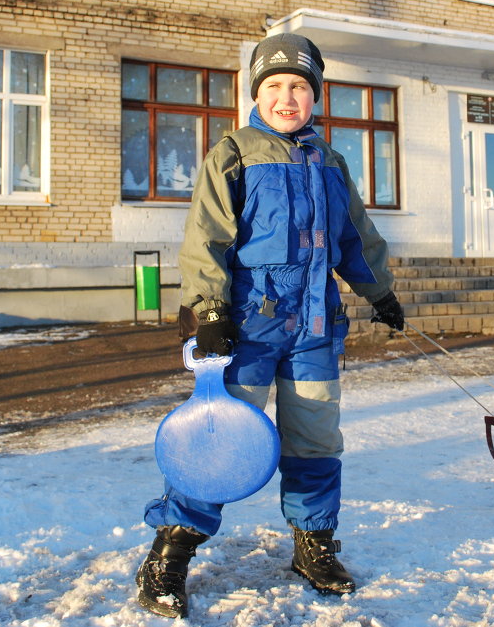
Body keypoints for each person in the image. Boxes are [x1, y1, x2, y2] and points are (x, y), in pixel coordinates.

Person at [135, 33, 406, 618]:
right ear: (257, 93)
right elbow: (206, 236)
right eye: (276, 86)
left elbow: (356, 237)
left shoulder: (331, 163)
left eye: (301, 88)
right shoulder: (233, 153)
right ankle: (169, 554)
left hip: (314, 326)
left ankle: (313, 544)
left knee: (314, 439)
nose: (289, 98)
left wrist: (379, 292)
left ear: (315, 96)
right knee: (219, 438)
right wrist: (207, 312)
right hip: (247, 329)